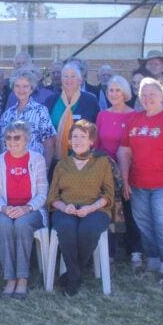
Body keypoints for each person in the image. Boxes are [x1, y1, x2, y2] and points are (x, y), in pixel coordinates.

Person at [117, 78, 163, 288]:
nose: (148, 98)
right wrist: (124, 179)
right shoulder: (134, 119)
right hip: (139, 184)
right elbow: (124, 151)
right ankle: (153, 263)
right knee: (146, 226)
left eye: (152, 94)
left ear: (162, 95)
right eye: (144, 94)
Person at [48, 120, 114, 297]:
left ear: (91, 141)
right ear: (69, 141)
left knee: (88, 229)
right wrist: (64, 207)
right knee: (66, 228)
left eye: (83, 137)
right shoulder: (62, 164)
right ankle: (76, 275)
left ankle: (72, 275)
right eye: (74, 137)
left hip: (95, 209)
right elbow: (52, 197)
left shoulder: (102, 162)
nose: (78, 141)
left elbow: (108, 195)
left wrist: (90, 208)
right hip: (66, 209)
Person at [0, 120, 48, 299]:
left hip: (32, 210)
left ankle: (22, 278)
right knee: (5, 225)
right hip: (6, 209)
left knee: (22, 224)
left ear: (27, 140)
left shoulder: (37, 159)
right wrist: (5, 208)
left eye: (17, 137)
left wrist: (26, 208)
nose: (12, 141)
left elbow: (42, 193)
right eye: (8, 137)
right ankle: (10, 279)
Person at [94, 75, 139, 266]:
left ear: (125, 93)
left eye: (117, 90)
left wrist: (126, 175)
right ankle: (109, 253)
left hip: (130, 171)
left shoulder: (135, 115)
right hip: (107, 172)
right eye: (110, 90)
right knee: (109, 211)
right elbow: (96, 144)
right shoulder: (102, 115)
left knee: (131, 211)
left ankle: (135, 251)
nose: (113, 94)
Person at [0, 69, 56, 164]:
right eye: (17, 86)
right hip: (10, 168)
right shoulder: (7, 114)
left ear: (31, 89)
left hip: (33, 168)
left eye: (25, 86)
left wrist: (45, 169)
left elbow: (49, 143)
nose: (21, 90)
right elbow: (2, 144)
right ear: (13, 88)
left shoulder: (40, 111)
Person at [49, 62, 100, 163]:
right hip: (54, 159)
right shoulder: (51, 101)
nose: (69, 79)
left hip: (83, 159)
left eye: (73, 76)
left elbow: (96, 130)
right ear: (61, 79)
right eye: (65, 76)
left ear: (80, 80)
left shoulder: (90, 100)